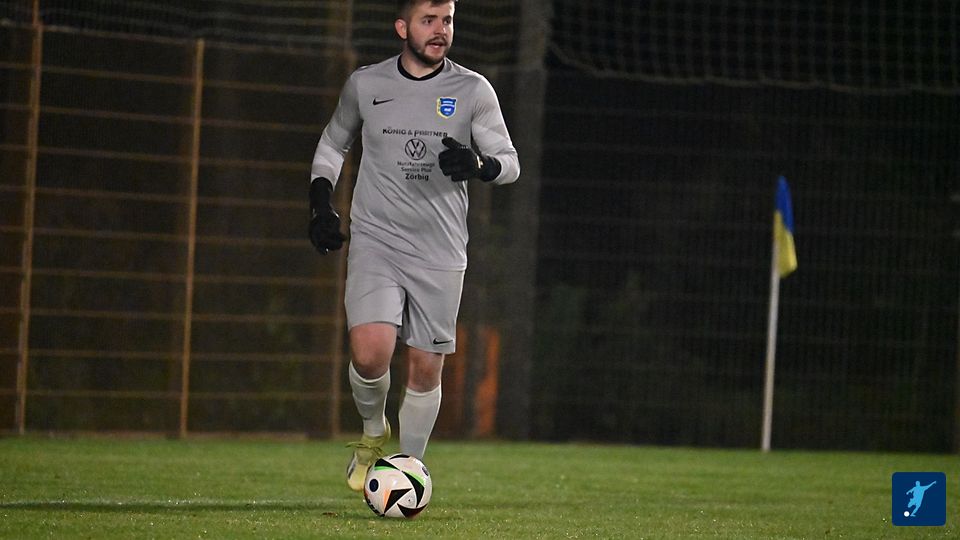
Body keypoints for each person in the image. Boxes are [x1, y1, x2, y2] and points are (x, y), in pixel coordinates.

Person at [308, 0, 520, 492]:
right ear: (402, 27)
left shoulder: (472, 89)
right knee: (369, 355)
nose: (441, 30)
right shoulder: (366, 84)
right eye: (429, 20)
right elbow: (333, 144)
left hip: (440, 249)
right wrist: (320, 204)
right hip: (376, 240)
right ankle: (372, 432)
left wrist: (480, 165)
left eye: (448, 20)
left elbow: (509, 162)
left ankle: (407, 469)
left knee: (425, 369)